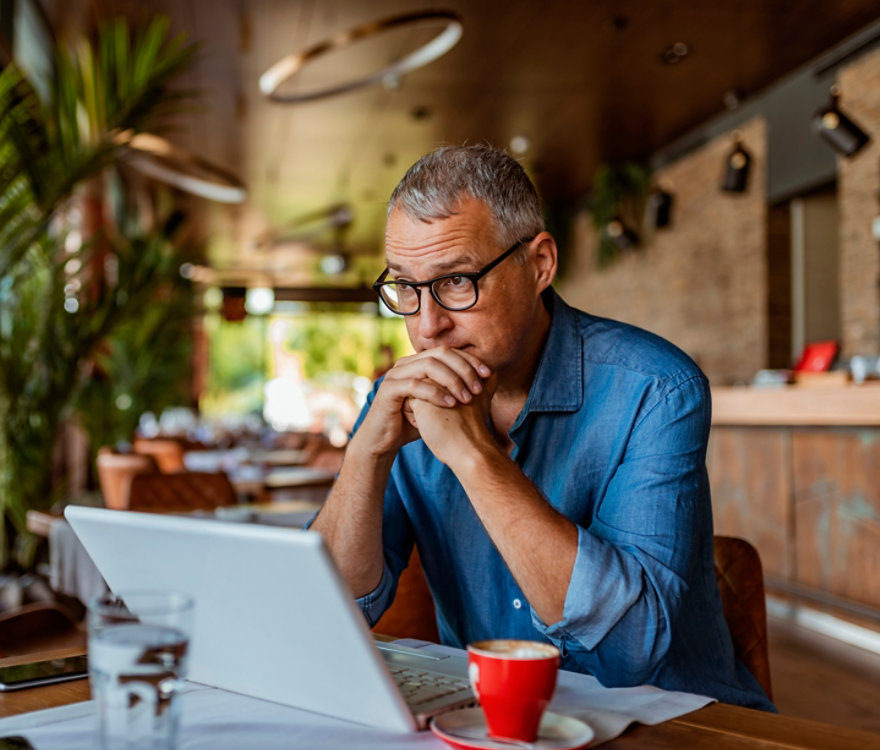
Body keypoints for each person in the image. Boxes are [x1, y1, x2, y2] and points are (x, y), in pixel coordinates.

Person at [310, 144, 774, 710]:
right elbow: (326, 616)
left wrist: (475, 457)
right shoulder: (401, 400)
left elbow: (630, 653)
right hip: (495, 724)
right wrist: (365, 454)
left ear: (540, 264)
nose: (428, 326)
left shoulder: (655, 388)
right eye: (406, 287)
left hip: (671, 726)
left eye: (456, 280)